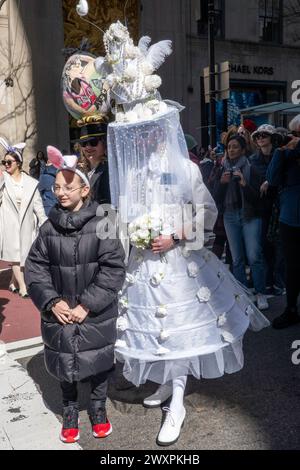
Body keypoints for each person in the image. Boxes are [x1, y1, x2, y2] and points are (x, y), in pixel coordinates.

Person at [25, 146, 125, 443]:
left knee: (98, 361)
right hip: (59, 310)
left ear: (85, 189)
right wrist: (52, 302)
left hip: (95, 310)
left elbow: (113, 268)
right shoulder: (48, 228)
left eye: (68, 187)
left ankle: (97, 408)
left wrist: (88, 305)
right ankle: (70, 408)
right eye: (56, 187)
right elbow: (35, 270)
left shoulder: (103, 223)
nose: (61, 192)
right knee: (65, 361)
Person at [213, 134, 268, 310]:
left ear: (243, 150)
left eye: (235, 146)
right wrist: (222, 183)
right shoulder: (221, 168)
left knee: (254, 256)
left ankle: (260, 293)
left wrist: (244, 184)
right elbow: (216, 198)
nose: (231, 150)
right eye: (229, 147)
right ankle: (243, 293)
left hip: (250, 216)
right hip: (230, 216)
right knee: (236, 259)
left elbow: (259, 199)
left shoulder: (252, 169)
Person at [0, 138, 47, 298]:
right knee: (15, 255)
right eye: (4, 162)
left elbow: (38, 205)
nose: (6, 165)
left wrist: (44, 222)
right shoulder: (3, 181)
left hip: (27, 223)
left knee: (24, 255)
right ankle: (23, 286)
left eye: (9, 162)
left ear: (18, 163)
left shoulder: (31, 183)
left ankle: (13, 282)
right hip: (9, 224)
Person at [266, 115, 300, 329]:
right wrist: (280, 152)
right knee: (292, 267)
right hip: (290, 219)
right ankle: (291, 309)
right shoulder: (285, 154)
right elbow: (272, 179)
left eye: (297, 134)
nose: (293, 138)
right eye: (292, 134)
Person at [250, 124, 284, 294]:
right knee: (264, 246)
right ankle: (268, 281)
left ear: (272, 137)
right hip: (262, 208)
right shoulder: (253, 160)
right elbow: (252, 185)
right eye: (257, 136)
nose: (260, 138)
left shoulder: (281, 155)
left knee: (279, 247)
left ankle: (278, 281)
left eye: (264, 135)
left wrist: (269, 181)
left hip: (280, 208)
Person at [76, 122, 111, 204]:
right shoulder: (80, 170)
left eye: (93, 142)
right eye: (84, 143)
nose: (88, 147)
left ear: (105, 143)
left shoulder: (109, 170)